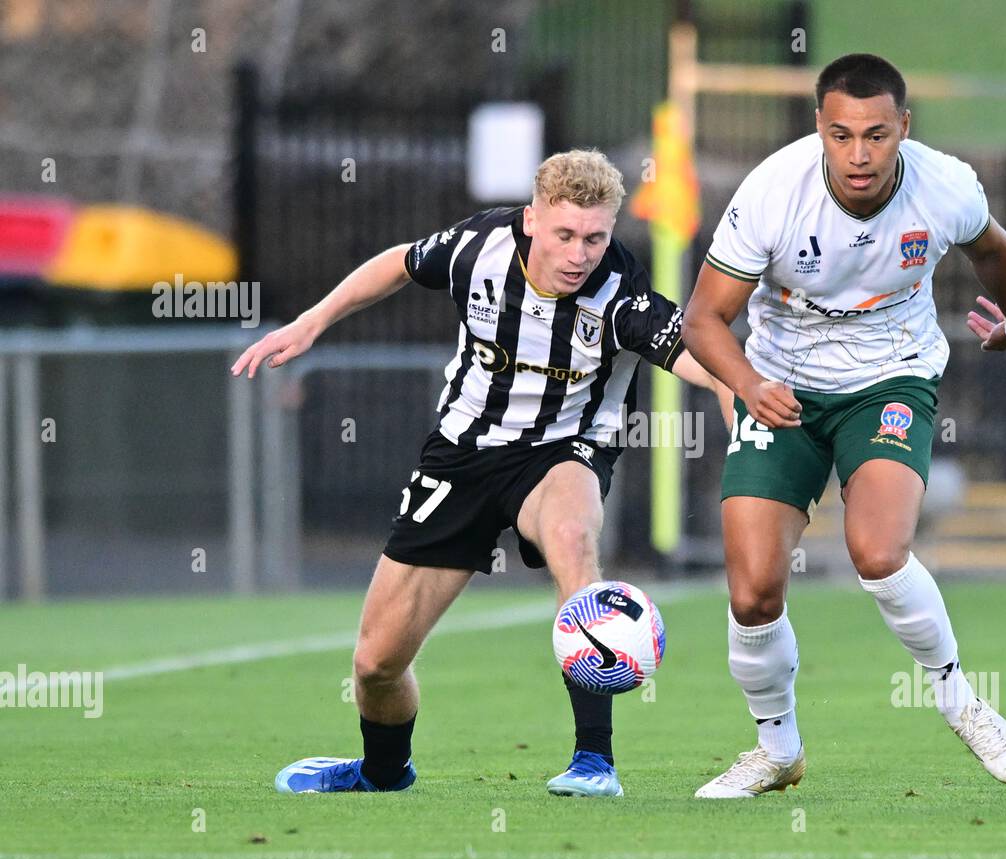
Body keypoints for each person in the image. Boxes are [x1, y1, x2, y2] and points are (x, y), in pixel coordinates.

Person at [232, 149, 729, 798]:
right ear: (532, 221)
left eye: (596, 237)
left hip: (562, 451)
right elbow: (399, 263)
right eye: (565, 235)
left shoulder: (620, 292)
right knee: (375, 664)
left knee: (574, 546)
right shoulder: (481, 246)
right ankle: (382, 772)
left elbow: (692, 351)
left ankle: (593, 762)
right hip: (461, 456)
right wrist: (313, 319)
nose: (581, 253)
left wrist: (734, 387)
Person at [681, 53, 1006, 797]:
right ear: (820, 129)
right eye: (841, 135)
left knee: (877, 550)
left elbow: (993, 249)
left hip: (891, 378)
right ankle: (777, 751)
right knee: (752, 595)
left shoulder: (944, 187)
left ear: (904, 127)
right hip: (782, 388)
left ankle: (958, 700)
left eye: (877, 135)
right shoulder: (774, 192)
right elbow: (703, 319)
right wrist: (746, 381)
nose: (859, 155)